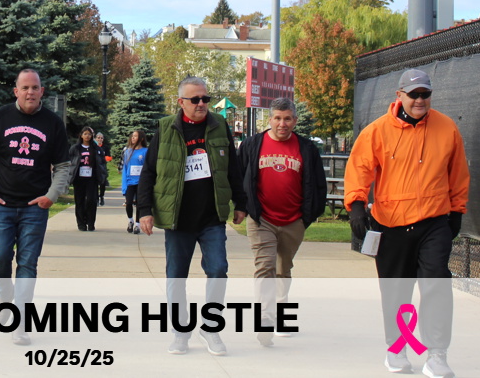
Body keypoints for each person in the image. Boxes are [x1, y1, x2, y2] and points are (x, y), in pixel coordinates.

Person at [345, 69, 469, 378]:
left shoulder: (447, 128)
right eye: (414, 95)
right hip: (392, 224)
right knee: (397, 293)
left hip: (434, 221)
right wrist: (356, 206)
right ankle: (397, 349)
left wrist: (457, 211)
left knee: (436, 284)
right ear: (399, 95)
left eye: (425, 94)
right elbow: (359, 168)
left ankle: (437, 355)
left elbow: (458, 173)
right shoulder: (377, 131)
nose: (420, 100)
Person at [136, 76, 247, 356]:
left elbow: (232, 168)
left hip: (211, 217)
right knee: (176, 277)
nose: (201, 104)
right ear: (181, 102)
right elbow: (149, 171)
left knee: (218, 270)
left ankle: (210, 328)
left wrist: (241, 203)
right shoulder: (166, 127)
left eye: (205, 99)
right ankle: (180, 332)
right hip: (178, 219)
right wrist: (145, 211)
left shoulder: (219, 125)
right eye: (195, 99)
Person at [0, 68, 72, 346]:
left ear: (42, 91)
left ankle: (19, 322)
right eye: (25, 87)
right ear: (16, 91)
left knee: (28, 264)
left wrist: (51, 196)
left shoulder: (53, 123)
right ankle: (6, 297)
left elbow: (63, 165)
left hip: (34, 209)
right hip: (2, 205)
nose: (30, 92)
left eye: (35, 87)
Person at [236, 97, 326, 346]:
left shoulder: (306, 149)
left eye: (287, 119)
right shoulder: (253, 144)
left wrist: (307, 217)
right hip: (261, 218)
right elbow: (239, 177)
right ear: (270, 119)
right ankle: (265, 319)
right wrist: (242, 207)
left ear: (294, 121)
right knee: (265, 266)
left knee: (282, 269)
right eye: (277, 118)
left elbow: (318, 184)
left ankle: (281, 314)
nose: (282, 123)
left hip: (293, 220)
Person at [68, 127, 106, 231]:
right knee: (79, 201)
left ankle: (91, 223)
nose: (87, 136)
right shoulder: (75, 148)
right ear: (81, 135)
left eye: (89, 134)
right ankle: (81, 224)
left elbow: (102, 163)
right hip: (79, 178)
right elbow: (70, 162)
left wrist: (102, 176)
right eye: (85, 134)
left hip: (92, 178)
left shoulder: (96, 149)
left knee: (91, 200)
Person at [120, 130, 148, 234]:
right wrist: (124, 184)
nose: (133, 138)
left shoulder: (145, 151)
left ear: (141, 138)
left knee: (139, 204)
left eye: (135, 136)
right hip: (130, 182)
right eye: (132, 136)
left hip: (141, 182)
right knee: (128, 203)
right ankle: (130, 220)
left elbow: (148, 167)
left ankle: (137, 224)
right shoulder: (128, 151)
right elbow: (125, 168)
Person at [94, 132, 111, 205]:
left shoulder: (105, 147)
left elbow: (109, 157)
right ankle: (96, 198)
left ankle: (101, 196)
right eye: (98, 138)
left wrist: (104, 158)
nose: (100, 139)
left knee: (102, 183)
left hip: (102, 167)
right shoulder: (93, 146)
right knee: (94, 183)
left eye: (101, 138)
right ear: (95, 139)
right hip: (95, 167)